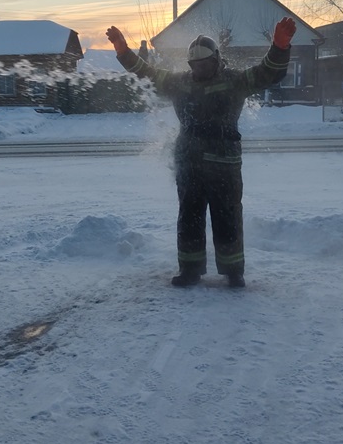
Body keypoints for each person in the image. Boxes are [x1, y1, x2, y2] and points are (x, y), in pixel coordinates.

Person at [106, 17, 297, 288]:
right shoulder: (179, 82)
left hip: (224, 165)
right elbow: (147, 74)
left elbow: (267, 73)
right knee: (189, 217)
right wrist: (123, 52)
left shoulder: (235, 81)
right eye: (194, 65)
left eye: (205, 64)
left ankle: (233, 271)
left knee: (227, 217)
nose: (199, 69)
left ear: (217, 59)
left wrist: (279, 47)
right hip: (189, 163)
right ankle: (190, 270)